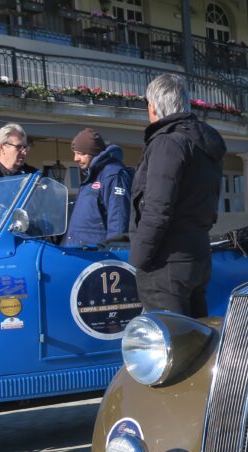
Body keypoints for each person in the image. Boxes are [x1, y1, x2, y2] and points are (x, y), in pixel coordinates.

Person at [129, 73, 225, 317]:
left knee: (170, 337)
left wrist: (139, 259)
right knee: (196, 335)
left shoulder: (168, 142)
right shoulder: (201, 142)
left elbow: (157, 207)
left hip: (166, 260)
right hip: (197, 254)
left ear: (153, 106)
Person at [63, 128, 133, 247]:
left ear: (94, 153)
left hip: (95, 253)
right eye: (75, 153)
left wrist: (113, 250)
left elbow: (118, 220)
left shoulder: (113, 175)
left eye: (81, 153)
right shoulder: (91, 176)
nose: (76, 158)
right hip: (79, 250)